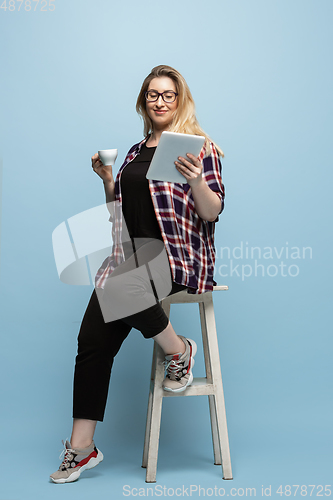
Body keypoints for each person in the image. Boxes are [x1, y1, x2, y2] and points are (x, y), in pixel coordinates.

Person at [50, 65, 225, 483]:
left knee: (120, 281)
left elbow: (212, 210)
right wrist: (109, 180)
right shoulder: (133, 152)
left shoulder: (200, 148)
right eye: (152, 94)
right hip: (130, 257)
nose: (160, 101)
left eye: (168, 94)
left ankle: (179, 350)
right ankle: (81, 448)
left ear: (180, 100)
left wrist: (196, 179)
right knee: (91, 340)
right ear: (143, 102)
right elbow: (120, 214)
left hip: (178, 255)